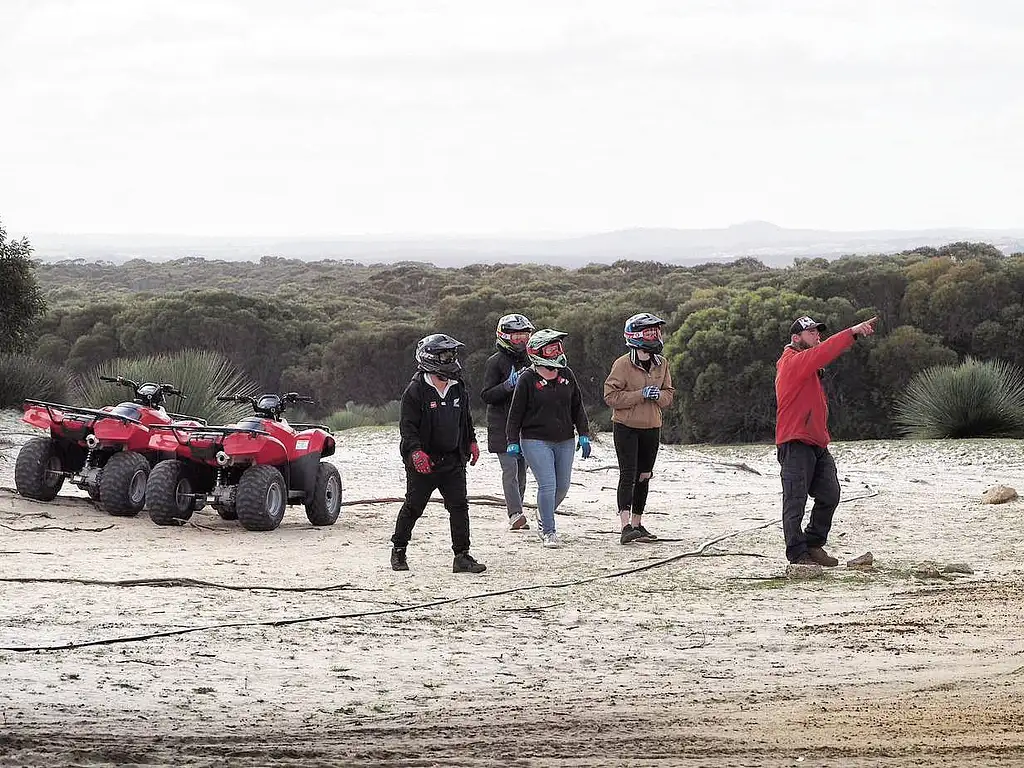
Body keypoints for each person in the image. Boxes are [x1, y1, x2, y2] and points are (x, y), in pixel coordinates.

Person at [775, 314, 877, 566]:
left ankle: (813, 544)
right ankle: (797, 555)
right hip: (794, 442)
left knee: (830, 494)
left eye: (818, 332)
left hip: (817, 443)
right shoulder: (791, 362)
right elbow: (824, 352)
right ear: (796, 338)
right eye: (811, 333)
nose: (817, 336)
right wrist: (851, 331)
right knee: (794, 501)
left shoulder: (809, 366)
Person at [390, 333, 486, 574]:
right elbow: (408, 427)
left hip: (453, 459)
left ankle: (462, 555)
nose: (451, 359)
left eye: (452, 354)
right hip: (424, 461)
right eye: (446, 355)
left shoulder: (458, 386)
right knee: (414, 506)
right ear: (430, 358)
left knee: (459, 506)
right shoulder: (415, 390)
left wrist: (471, 441)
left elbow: (465, 418)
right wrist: (415, 452)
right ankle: (399, 549)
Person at [506, 328, 591, 548]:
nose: (555, 352)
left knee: (562, 486)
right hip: (535, 439)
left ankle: (543, 515)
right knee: (548, 484)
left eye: (557, 347)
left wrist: (584, 434)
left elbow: (577, 406)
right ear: (537, 352)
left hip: (564, 439)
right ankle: (549, 531)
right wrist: (512, 441)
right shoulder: (527, 378)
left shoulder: (567, 374)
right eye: (550, 348)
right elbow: (515, 413)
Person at [604, 312, 675, 545]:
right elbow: (610, 396)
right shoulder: (622, 364)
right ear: (634, 335)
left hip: (652, 426)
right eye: (648, 332)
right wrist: (639, 394)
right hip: (626, 426)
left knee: (645, 475)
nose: (654, 336)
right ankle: (625, 526)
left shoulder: (662, 363)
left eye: (656, 332)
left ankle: (638, 523)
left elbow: (669, 394)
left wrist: (658, 396)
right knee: (628, 474)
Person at [479, 313, 536, 531]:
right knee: (510, 468)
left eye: (525, 336)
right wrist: (507, 386)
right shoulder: (495, 362)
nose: (521, 341)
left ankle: (518, 509)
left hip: (526, 424)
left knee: (522, 469)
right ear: (504, 337)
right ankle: (515, 513)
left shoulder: (532, 360)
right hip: (501, 424)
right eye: (516, 337)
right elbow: (486, 395)